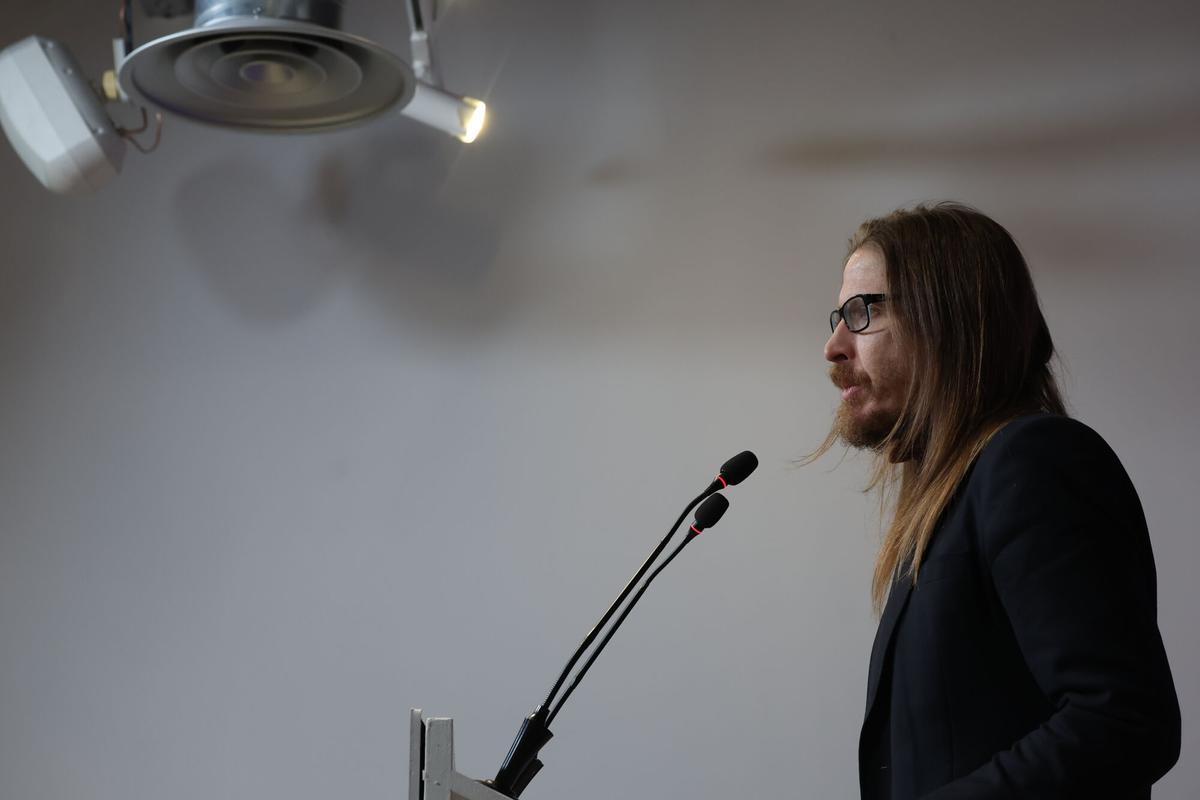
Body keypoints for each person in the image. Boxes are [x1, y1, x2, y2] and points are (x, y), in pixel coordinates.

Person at [810, 203, 1181, 799]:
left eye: (862, 312)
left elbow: (1123, 722)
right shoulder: (958, 496)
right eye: (838, 316)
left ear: (945, 320)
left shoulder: (1033, 460)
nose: (833, 346)